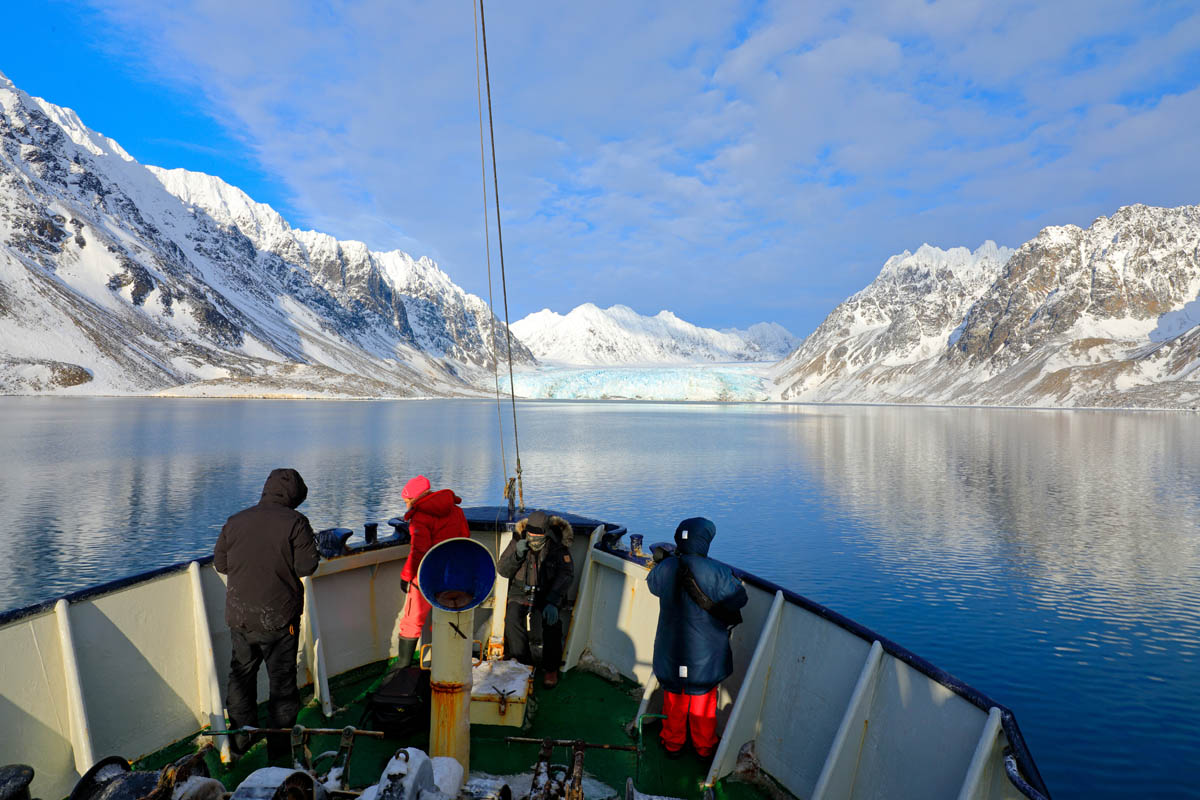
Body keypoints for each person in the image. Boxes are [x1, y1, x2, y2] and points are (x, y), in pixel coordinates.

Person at [213, 468, 320, 762]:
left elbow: (221, 564)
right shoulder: (296, 522)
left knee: (241, 676)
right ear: (295, 496)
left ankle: (240, 739)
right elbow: (307, 567)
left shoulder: (235, 521)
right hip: (278, 621)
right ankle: (279, 750)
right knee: (282, 683)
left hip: (240, 618)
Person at [647, 517, 747, 760]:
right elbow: (739, 599)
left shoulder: (665, 569)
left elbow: (652, 584)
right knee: (702, 703)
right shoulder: (718, 573)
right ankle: (704, 748)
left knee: (675, 698)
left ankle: (672, 744)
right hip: (705, 657)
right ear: (703, 542)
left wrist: (668, 561)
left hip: (671, 653)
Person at [395, 475, 470, 668]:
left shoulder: (419, 517)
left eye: (406, 502)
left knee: (412, 620)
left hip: (426, 575)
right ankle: (447, 662)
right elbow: (465, 540)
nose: (406, 506)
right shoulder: (456, 511)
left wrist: (406, 577)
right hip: (453, 575)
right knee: (446, 617)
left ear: (414, 499)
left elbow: (419, 552)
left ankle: (402, 666)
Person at [496, 510, 574, 688]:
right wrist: (517, 555)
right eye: (530, 533)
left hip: (547, 594)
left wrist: (553, 601)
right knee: (512, 619)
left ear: (546, 533)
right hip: (520, 592)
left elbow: (567, 574)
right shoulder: (517, 541)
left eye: (538, 534)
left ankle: (551, 668)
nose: (534, 537)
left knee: (553, 624)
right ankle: (523, 663)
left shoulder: (558, 546)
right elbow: (503, 570)